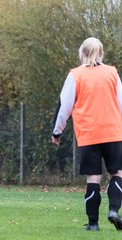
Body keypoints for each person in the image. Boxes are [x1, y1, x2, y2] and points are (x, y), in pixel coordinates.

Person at [52, 37, 122, 231]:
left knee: (93, 178)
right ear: (101, 54)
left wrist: (56, 132)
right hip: (114, 133)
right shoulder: (112, 73)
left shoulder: (75, 75)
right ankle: (114, 210)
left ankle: (93, 224)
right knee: (117, 173)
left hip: (89, 135)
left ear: (82, 53)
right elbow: (121, 103)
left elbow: (64, 107)